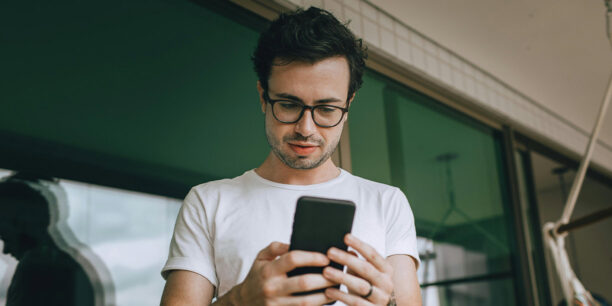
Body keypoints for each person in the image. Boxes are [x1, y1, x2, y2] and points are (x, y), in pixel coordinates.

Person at [160, 7, 421, 306]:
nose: (305, 128)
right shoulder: (208, 202)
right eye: (288, 104)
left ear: (348, 106)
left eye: (326, 109)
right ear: (263, 97)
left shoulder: (388, 203)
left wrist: (388, 303)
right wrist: (242, 299)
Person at [0, 173, 96, 306]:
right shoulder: (71, 267)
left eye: (6, 238)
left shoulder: (34, 267)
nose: (5, 250)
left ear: (22, 223)